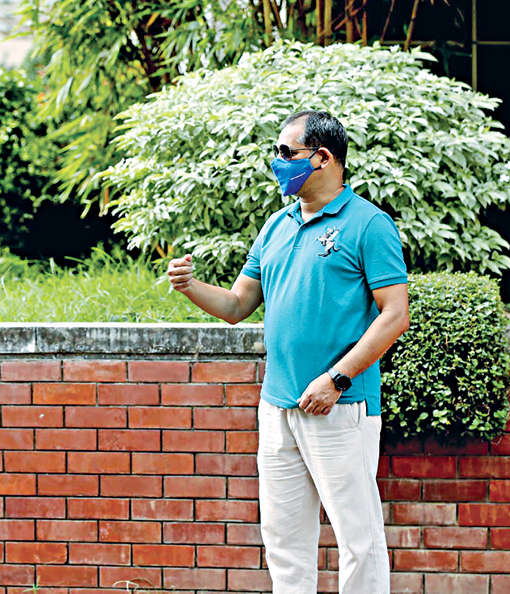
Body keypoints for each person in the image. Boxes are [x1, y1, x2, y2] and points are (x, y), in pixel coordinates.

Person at [167, 110, 409, 593]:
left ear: (323, 158)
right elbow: (236, 305)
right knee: (284, 540)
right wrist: (190, 285)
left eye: (286, 153)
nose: (277, 162)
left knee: (358, 539)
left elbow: (394, 315)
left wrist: (336, 379)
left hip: (341, 406)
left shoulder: (369, 225)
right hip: (277, 407)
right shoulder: (276, 226)